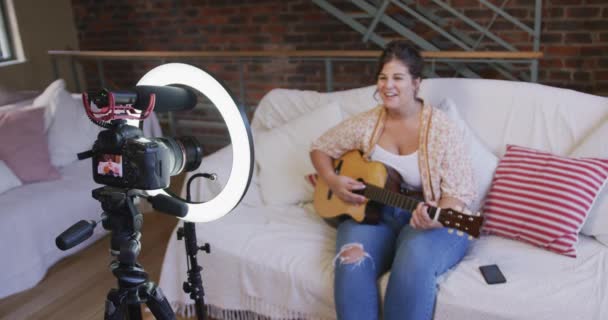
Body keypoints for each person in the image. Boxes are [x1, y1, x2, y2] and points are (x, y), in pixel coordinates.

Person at [309, 40, 475, 320]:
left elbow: (458, 192)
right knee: (351, 262)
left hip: (427, 218)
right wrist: (332, 180)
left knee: (412, 266)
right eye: (382, 78)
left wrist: (438, 216)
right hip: (373, 214)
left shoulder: (442, 128)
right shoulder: (367, 123)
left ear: (416, 83)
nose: (388, 85)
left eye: (398, 77)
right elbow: (320, 147)